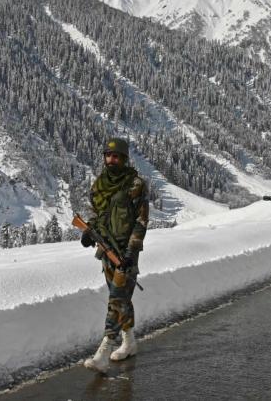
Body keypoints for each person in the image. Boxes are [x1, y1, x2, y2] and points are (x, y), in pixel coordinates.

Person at [81, 138, 149, 372]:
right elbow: (95, 213)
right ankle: (129, 342)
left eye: (117, 156)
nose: (112, 160)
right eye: (108, 156)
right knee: (119, 297)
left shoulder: (136, 184)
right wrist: (89, 232)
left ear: (124, 159)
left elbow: (141, 221)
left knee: (116, 299)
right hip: (106, 249)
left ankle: (105, 348)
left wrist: (131, 251)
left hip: (126, 252)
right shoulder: (99, 184)